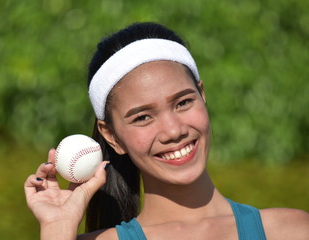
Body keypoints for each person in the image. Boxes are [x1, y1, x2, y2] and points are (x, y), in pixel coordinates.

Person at [24, 22, 309, 240]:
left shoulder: (292, 231)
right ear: (111, 136)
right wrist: (58, 227)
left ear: (202, 95)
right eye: (143, 117)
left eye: (183, 102)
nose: (173, 131)